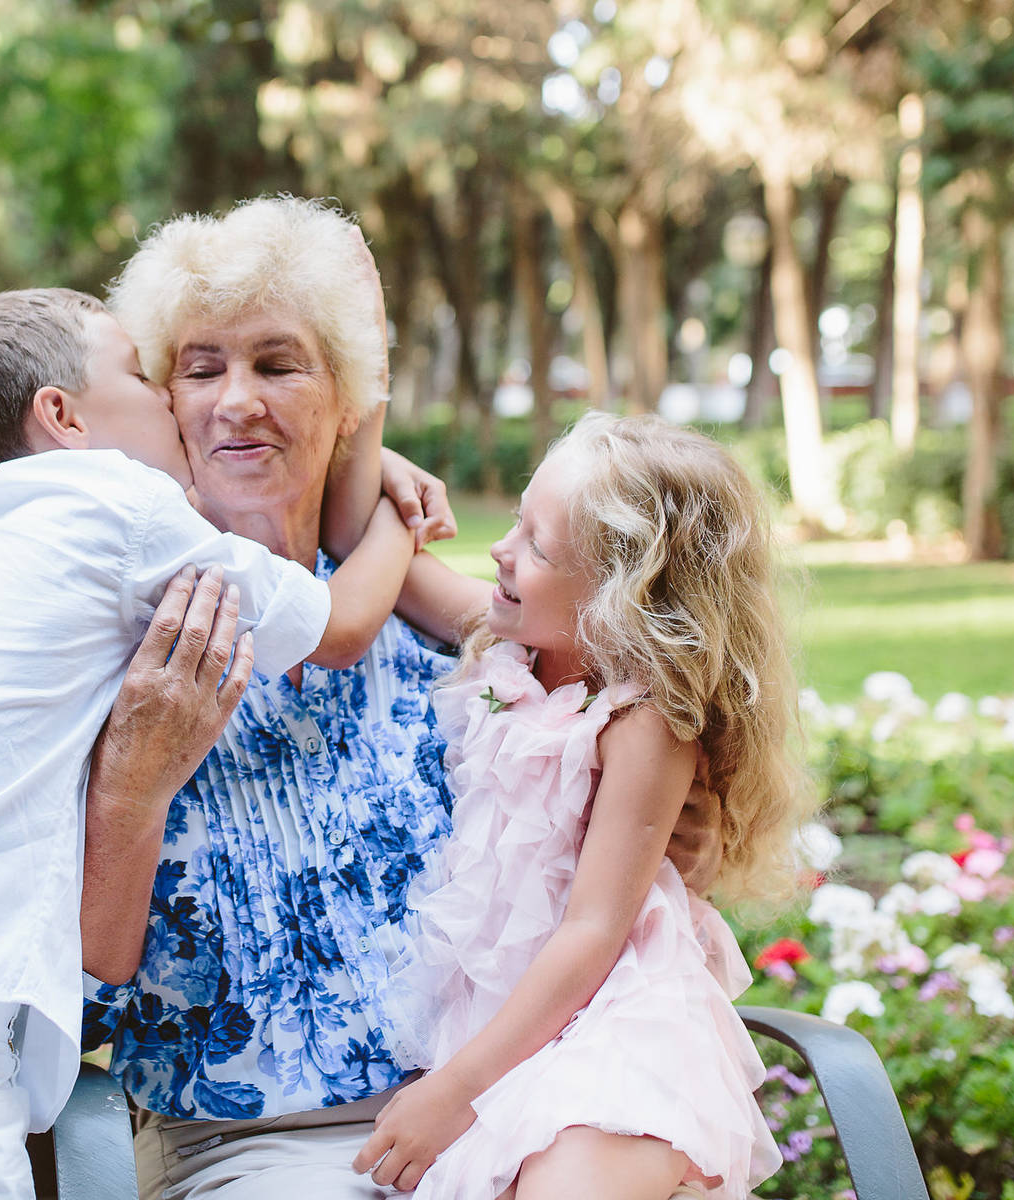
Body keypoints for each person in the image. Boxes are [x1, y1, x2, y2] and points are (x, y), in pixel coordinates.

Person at [79, 197, 727, 1200]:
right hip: (255, 1146)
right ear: (163, 402)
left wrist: (687, 831)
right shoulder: (120, 640)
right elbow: (77, 984)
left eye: (279, 365)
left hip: (498, 1111)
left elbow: (644, 760)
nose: (236, 401)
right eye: (200, 369)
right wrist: (132, 793)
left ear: (347, 398)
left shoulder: (446, 638)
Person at [0, 286, 420, 1199]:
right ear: (64, 417)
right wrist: (394, 509)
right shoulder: (119, 508)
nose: (169, 403)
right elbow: (342, 628)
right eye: (149, 378)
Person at [350, 412, 812, 1199]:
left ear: (622, 599)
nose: (500, 551)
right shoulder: (512, 644)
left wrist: (453, 1090)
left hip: (615, 1016)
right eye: (515, 522)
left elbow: (594, 931)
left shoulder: (642, 722)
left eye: (536, 545)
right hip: (517, 1028)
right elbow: (373, 545)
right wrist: (385, 463)